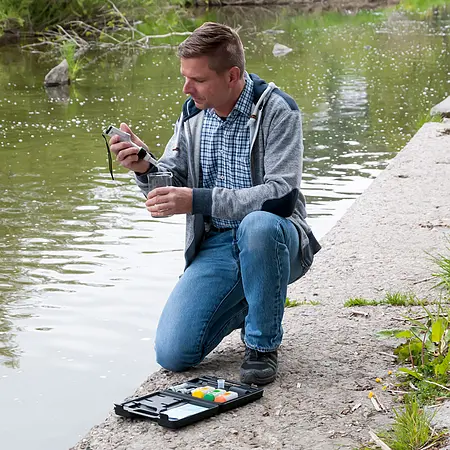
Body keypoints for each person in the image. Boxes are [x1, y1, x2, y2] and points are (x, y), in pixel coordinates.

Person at [109, 22, 320, 386]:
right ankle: (255, 297)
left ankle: (262, 344)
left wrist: (197, 199)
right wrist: (144, 165)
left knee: (259, 224)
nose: (187, 89)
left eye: (199, 80)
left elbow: (281, 196)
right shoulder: (193, 113)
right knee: (173, 354)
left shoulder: (278, 110)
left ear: (233, 75)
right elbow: (174, 181)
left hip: (275, 238)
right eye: (185, 77)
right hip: (218, 245)